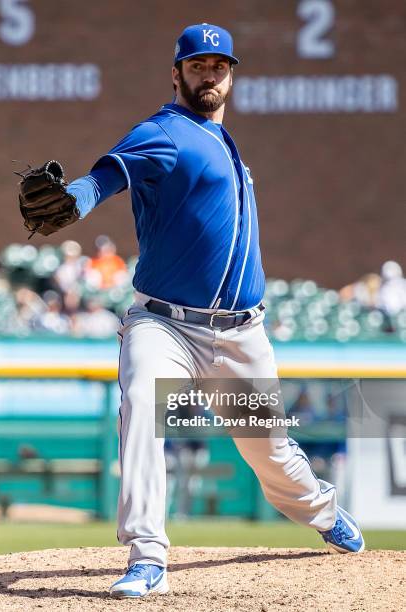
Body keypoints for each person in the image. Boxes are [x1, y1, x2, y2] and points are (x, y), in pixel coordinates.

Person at [58, 23, 364, 598]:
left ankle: (323, 513)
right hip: (164, 324)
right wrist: (74, 198)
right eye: (198, 65)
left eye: (219, 66)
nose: (209, 74)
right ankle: (146, 555)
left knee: (270, 451)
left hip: (241, 334)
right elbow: (107, 177)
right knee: (143, 402)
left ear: (230, 75)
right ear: (176, 73)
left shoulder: (224, 141)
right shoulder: (165, 131)